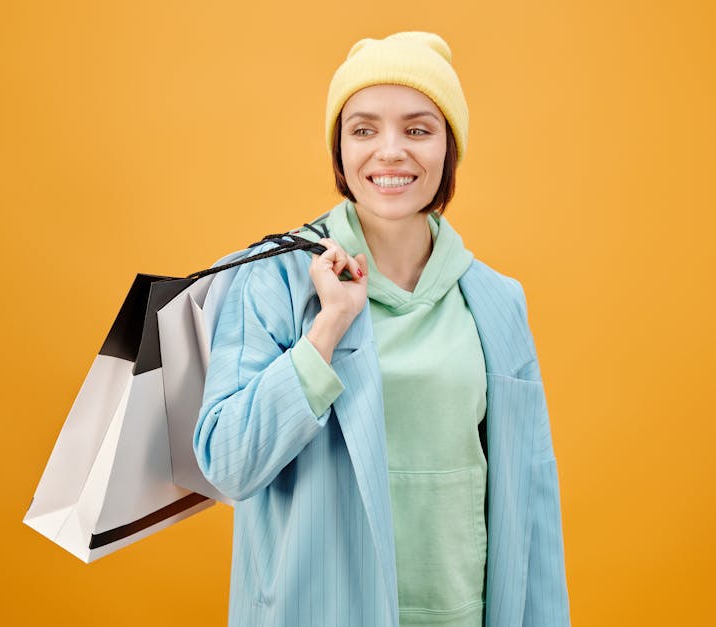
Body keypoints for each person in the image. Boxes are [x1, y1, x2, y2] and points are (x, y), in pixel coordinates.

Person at [194, 32, 570, 627]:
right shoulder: (274, 279)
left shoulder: (496, 300)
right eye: (364, 130)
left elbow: (532, 501)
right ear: (340, 150)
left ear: (449, 148)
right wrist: (327, 330)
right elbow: (227, 462)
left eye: (418, 130)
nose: (390, 152)